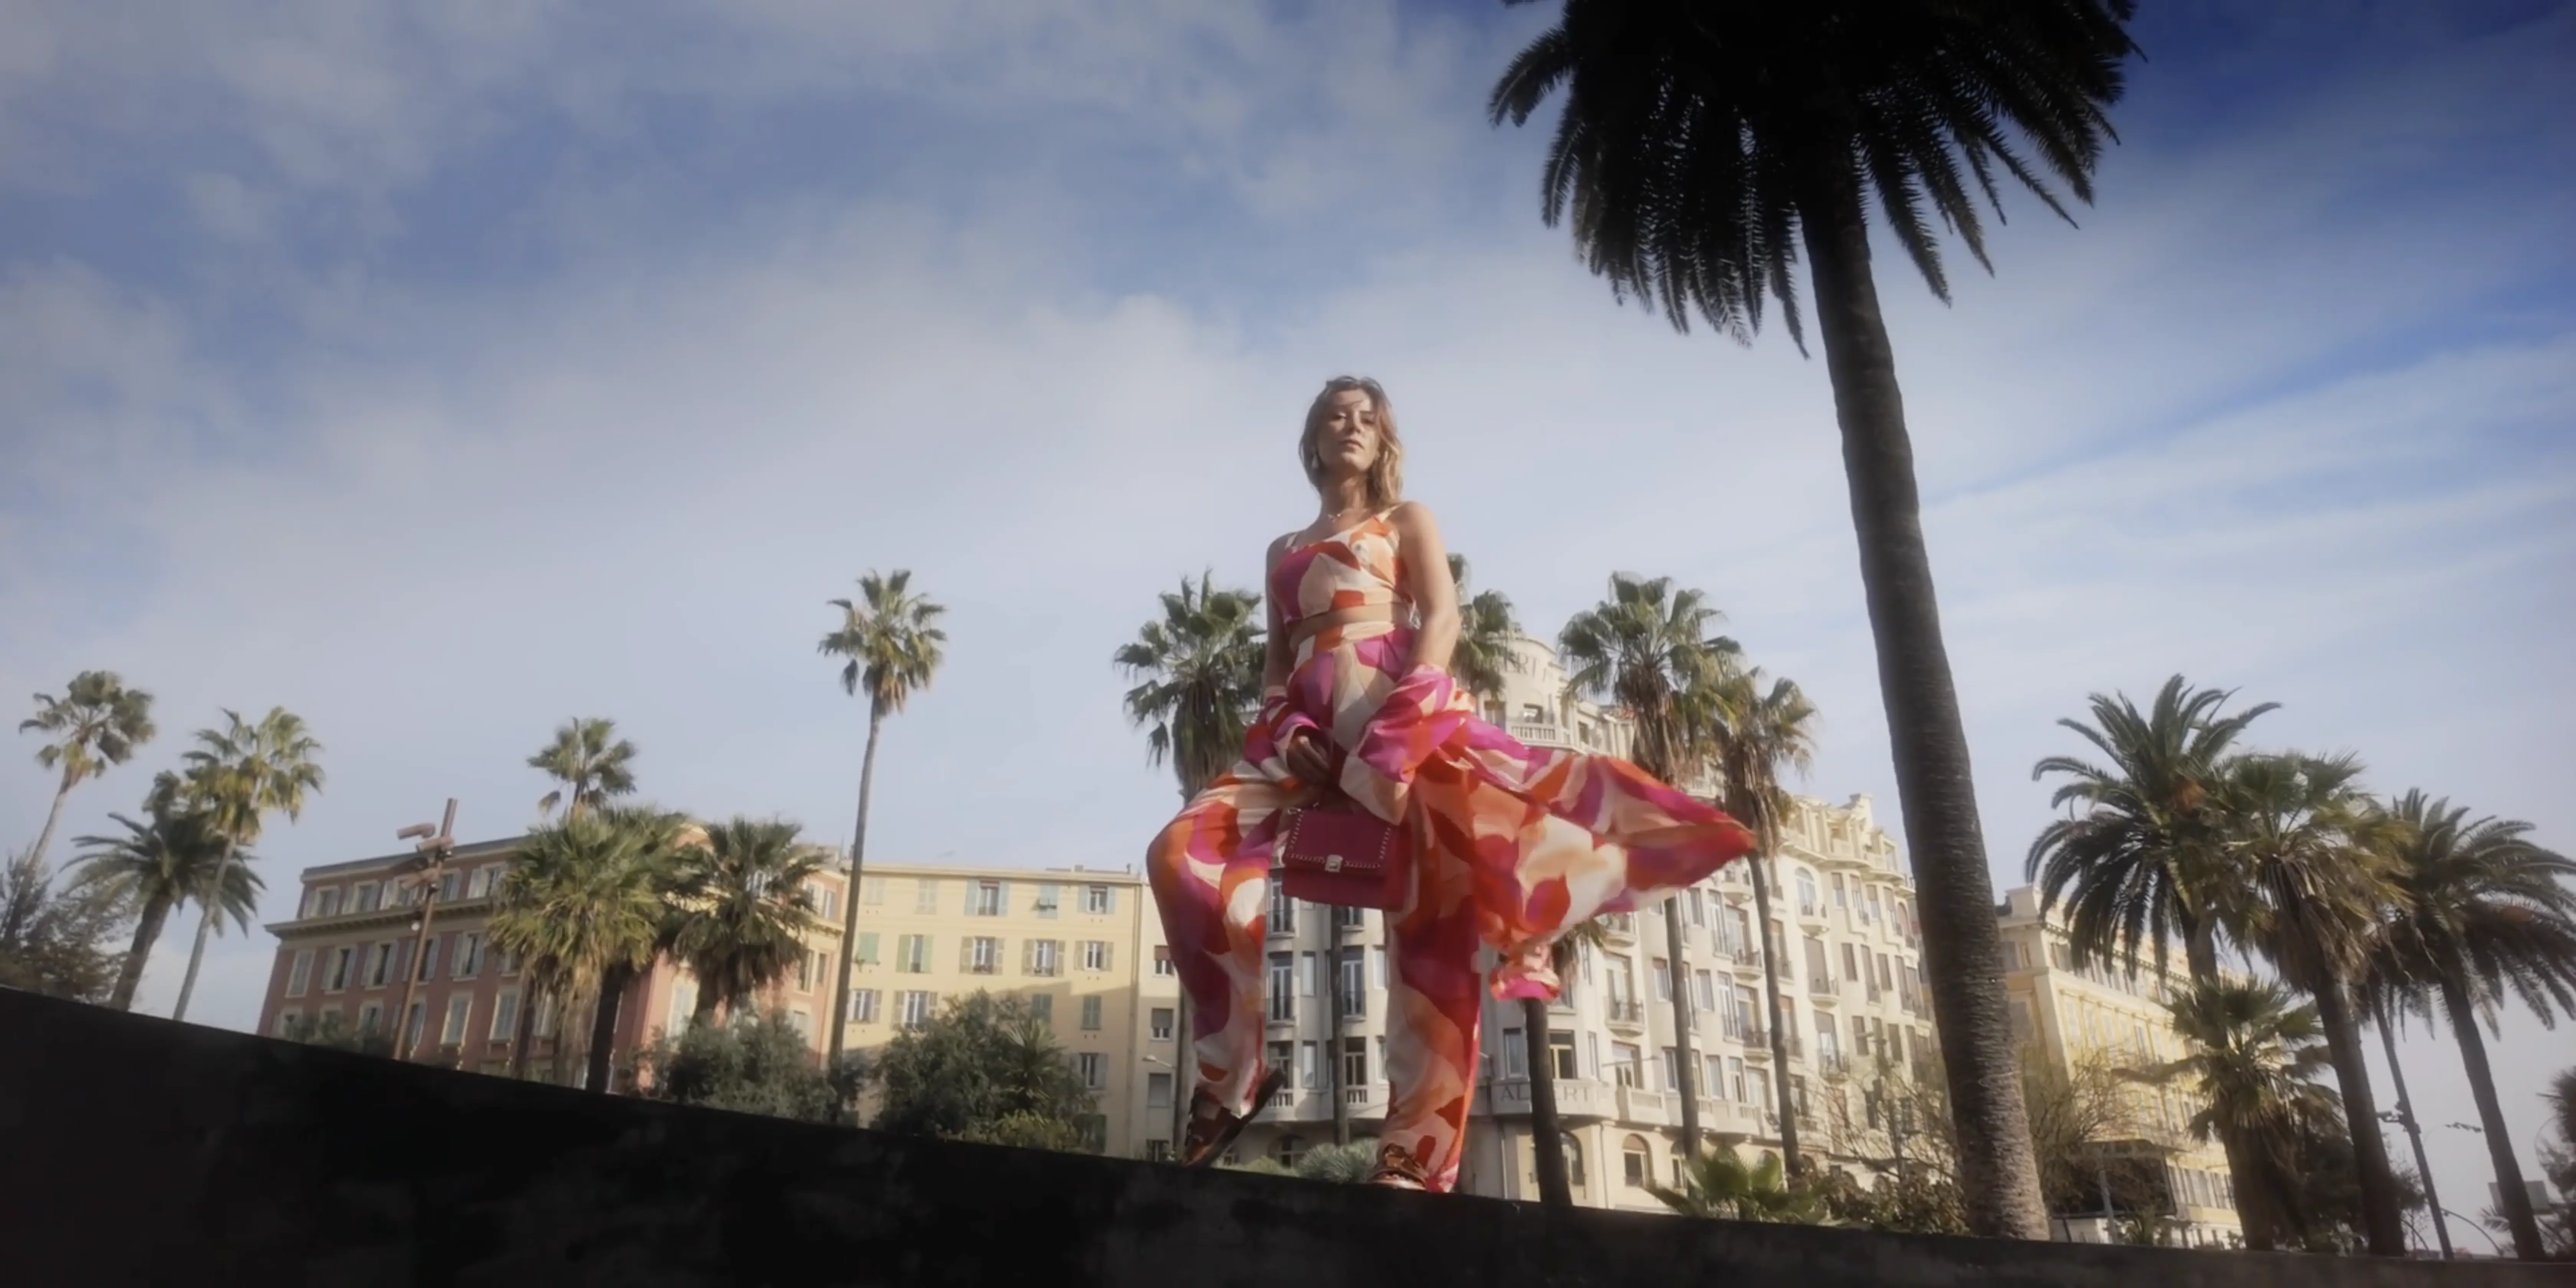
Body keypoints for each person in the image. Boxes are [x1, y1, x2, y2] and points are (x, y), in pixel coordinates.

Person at [1145, 375, 1756, 1191]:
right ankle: (1234, 1075)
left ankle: (1414, 1161)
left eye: (1368, 418)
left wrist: (1393, 740)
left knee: (1431, 936)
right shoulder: (1282, 548)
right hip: (1302, 735)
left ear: (1383, 441)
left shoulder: (1406, 520)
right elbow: (1276, 663)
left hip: (1401, 714)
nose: (1352, 426)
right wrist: (1289, 729)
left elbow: (1441, 619)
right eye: (1337, 416)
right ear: (1313, 440)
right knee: (1182, 853)